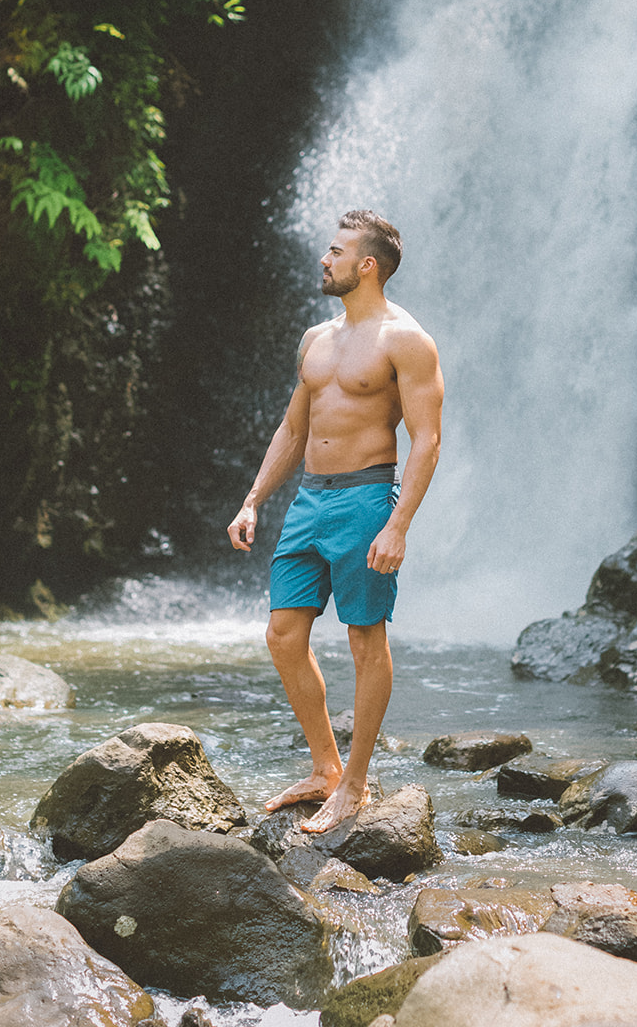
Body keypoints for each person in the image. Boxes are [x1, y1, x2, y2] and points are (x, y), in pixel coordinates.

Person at [227, 209, 443, 833]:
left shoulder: (406, 340)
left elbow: (427, 440)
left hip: (365, 499)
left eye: (337, 250)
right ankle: (325, 767)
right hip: (308, 500)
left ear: (367, 265)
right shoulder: (316, 339)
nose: (325, 259)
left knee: (364, 638)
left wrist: (398, 524)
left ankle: (355, 784)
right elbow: (294, 427)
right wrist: (253, 499)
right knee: (284, 634)